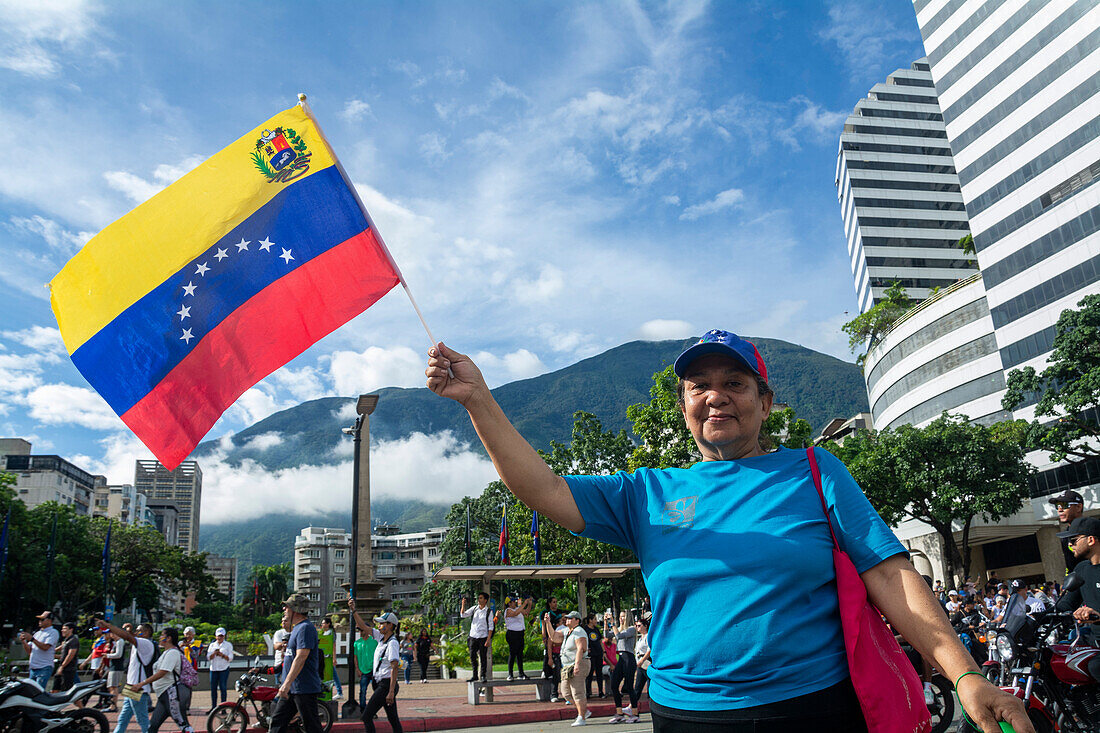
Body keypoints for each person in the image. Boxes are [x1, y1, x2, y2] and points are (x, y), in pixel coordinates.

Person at [424, 332, 1032, 732]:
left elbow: (889, 573)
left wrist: (965, 675)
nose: (716, 397)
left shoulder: (815, 471)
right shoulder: (646, 491)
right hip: (685, 716)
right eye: (699, 387)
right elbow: (545, 489)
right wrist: (477, 399)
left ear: (765, 403)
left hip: (811, 708)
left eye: (735, 384)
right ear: (684, 404)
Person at [269, 593, 323, 733]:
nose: (284, 610)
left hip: (303, 687)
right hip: (293, 688)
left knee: (311, 726)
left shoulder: (305, 628)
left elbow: (301, 657)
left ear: (295, 609)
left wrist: (286, 684)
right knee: (277, 722)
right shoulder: (296, 629)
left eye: (286, 607)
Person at [1056, 516, 1100, 679]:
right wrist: (1032, 617)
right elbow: (1066, 603)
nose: (1069, 545)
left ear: (1090, 540)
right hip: (1094, 641)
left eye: (1073, 540)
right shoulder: (1082, 569)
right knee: (1060, 658)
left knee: (1096, 666)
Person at [96, 618, 156, 733]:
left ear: (147, 633)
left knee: (142, 720)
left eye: (139, 631)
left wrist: (108, 625)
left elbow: (128, 637)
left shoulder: (145, 643)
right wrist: (130, 630)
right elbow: (131, 636)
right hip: (131, 687)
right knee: (123, 718)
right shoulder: (140, 642)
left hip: (138, 688)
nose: (137, 633)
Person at [350, 604, 403, 733]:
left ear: (390, 625)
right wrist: (354, 610)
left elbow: (394, 667)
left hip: (386, 684)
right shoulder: (381, 638)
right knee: (393, 718)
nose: (379, 626)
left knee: (366, 716)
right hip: (379, 683)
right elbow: (363, 627)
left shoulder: (392, 643)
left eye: (381, 624)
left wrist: (391, 691)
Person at [138, 627, 194, 733]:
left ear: (168, 638)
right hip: (164, 695)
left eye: (162, 635)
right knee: (153, 726)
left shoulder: (173, 653)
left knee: (184, 726)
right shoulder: (166, 652)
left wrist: (143, 683)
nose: (160, 637)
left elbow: (163, 671)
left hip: (172, 695)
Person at [550, 611, 590, 727]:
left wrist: (577, 664)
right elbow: (554, 637)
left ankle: (581, 717)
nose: (566, 620)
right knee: (566, 693)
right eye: (566, 618)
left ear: (577, 620)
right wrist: (547, 623)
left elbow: (580, 649)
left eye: (570, 618)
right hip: (567, 666)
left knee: (577, 691)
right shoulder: (567, 631)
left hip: (578, 663)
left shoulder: (579, 631)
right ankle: (583, 710)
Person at [605, 610, 638, 723]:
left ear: (628, 617)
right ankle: (619, 713)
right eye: (620, 617)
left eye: (623, 617)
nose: (621, 619)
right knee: (614, 685)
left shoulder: (631, 629)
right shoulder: (619, 628)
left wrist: (613, 624)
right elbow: (607, 635)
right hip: (621, 659)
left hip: (628, 658)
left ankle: (634, 713)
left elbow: (618, 636)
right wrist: (606, 623)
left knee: (629, 686)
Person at [460, 593, 494, 684]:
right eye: (478, 598)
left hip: (483, 637)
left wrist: (488, 639)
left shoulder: (488, 611)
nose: (479, 599)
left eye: (481, 598)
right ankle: (475, 675)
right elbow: (463, 615)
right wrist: (463, 604)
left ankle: (483, 675)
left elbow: (491, 626)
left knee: (483, 657)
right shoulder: (474, 608)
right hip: (473, 636)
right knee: (472, 656)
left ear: (485, 600)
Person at [21, 610, 59, 689]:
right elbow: (30, 651)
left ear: (49, 621)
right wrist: (24, 642)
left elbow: (45, 647)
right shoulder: (37, 633)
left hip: (44, 667)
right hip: (33, 668)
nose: (40, 621)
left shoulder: (53, 632)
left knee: (39, 691)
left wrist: (32, 639)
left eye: (42, 619)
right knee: (30, 691)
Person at [1051, 490, 1085, 573]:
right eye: (1057, 506)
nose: (1060, 510)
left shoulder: (1093, 528)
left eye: (1064, 505)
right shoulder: (1065, 536)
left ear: (1078, 507)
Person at [351, 612, 380, 708]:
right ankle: (363, 709)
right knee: (362, 691)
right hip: (363, 670)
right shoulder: (357, 643)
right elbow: (355, 657)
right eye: (359, 631)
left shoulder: (374, 641)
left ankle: (373, 709)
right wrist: (357, 669)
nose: (360, 632)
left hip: (374, 669)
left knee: (376, 692)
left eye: (362, 630)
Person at [503, 596, 532, 680]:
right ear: (509, 603)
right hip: (512, 634)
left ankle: (521, 673)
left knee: (520, 654)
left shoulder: (517, 609)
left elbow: (526, 612)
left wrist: (529, 604)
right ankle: (510, 674)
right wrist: (524, 604)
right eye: (513, 602)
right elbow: (515, 614)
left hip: (520, 633)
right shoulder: (508, 611)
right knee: (513, 653)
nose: (515, 603)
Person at [207, 627, 234, 710]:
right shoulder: (212, 645)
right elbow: (208, 657)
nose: (220, 638)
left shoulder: (228, 645)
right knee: (213, 689)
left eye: (221, 636)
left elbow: (230, 658)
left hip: (223, 669)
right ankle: (213, 707)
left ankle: (223, 708)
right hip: (214, 669)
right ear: (215, 636)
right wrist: (214, 653)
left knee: (223, 688)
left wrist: (222, 655)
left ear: (224, 636)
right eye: (218, 636)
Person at [319, 617, 343, 699]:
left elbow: (333, 646)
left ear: (328, 624)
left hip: (329, 657)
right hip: (324, 657)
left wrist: (334, 658)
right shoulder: (323, 633)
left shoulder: (331, 632)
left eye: (324, 623)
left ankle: (339, 692)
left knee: (334, 675)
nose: (322, 625)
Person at [56, 622, 82, 694]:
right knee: (56, 688)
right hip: (64, 668)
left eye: (65, 629)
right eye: (62, 629)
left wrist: (62, 666)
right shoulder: (66, 641)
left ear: (71, 630)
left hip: (69, 669)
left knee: (67, 690)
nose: (62, 630)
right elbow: (61, 653)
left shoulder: (73, 640)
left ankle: (81, 704)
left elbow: (70, 655)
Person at [583, 614, 604, 699]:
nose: (596, 621)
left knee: (599, 673)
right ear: (590, 620)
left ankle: (600, 691)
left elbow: (600, 641)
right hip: (591, 655)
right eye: (594, 619)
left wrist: (603, 651)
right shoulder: (585, 629)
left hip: (598, 653)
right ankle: (588, 692)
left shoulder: (596, 629)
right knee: (590, 674)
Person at [633, 617, 652, 708]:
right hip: (640, 665)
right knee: (637, 687)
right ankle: (632, 707)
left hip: (646, 664)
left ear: (645, 626)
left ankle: (652, 705)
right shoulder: (640, 639)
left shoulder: (648, 636)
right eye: (636, 626)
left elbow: (649, 651)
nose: (637, 627)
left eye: (639, 625)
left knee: (650, 686)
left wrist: (642, 660)